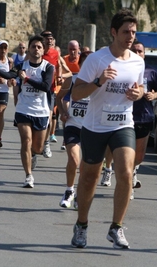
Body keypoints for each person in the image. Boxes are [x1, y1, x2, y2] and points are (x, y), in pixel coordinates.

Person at [70, 9, 144, 249]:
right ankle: (81, 224)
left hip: (123, 124)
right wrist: (99, 81)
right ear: (113, 32)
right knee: (89, 178)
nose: (130, 36)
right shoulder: (97, 60)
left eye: (133, 32)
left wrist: (138, 93)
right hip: (95, 126)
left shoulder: (137, 61)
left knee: (125, 174)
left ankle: (116, 227)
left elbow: (140, 87)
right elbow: (76, 92)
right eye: (126, 32)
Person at [100, 41, 157, 201]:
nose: (138, 53)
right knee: (117, 151)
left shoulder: (151, 72)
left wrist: (154, 95)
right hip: (122, 116)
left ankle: (133, 171)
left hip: (144, 116)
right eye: (135, 50)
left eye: (140, 51)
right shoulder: (122, 67)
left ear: (144, 53)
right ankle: (111, 172)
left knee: (139, 156)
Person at [0, 35, 54, 188]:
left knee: (37, 147)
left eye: (39, 47)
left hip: (41, 112)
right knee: (26, 140)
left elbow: (46, 86)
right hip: (24, 109)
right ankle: (28, 175)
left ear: (43, 50)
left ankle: (34, 154)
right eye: (33, 47)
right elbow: (10, 74)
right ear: (29, 49)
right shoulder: (22, 65)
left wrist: (27, 79)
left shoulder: (48, 67)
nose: (36, 49)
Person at [56, 50, 92, 209]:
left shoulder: (99, 84)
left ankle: (79, 194)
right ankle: (69, 190)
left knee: (85, 166)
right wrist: (63, 112)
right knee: (74, 159)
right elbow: (59, 97)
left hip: (91, 129)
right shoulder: (72, 80)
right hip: (73, 125)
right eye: (86, 63)